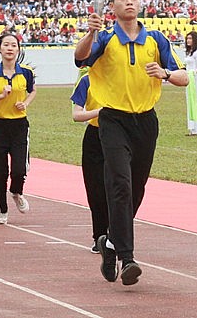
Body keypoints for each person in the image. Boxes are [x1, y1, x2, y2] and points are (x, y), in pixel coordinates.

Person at [74, 0, 188, 287]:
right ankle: (128, 258)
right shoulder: (105, 38)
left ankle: (110, 242)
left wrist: (164, 72)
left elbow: (183, 77)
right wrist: (89, 33)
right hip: (112, 120)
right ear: (111, 5)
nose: (129, 2)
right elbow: (80, 59)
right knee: (120, 186)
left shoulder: (156, 40)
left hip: (145, 122)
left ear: (140, 2)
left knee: (136, 190)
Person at [0, 33, 37, 225]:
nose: (10, 48)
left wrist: (25, 102)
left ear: (18, 49)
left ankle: (16, 191)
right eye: (6, 45)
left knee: (20, 169)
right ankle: (2, 209)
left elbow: (33, 90)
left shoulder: (26, 71)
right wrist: (0, 96)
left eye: (14, 45)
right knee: (0, 171)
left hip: (19, 125)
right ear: (0, 49)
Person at [70, 69, 108, 254]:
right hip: (95, 136)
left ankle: (116, 234)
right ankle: (99, 236)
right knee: (95, 188)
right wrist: (99, 112)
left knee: (119, 187)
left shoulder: (122, 76)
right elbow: (76, 115)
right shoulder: (87, 80)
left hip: (121, 135)